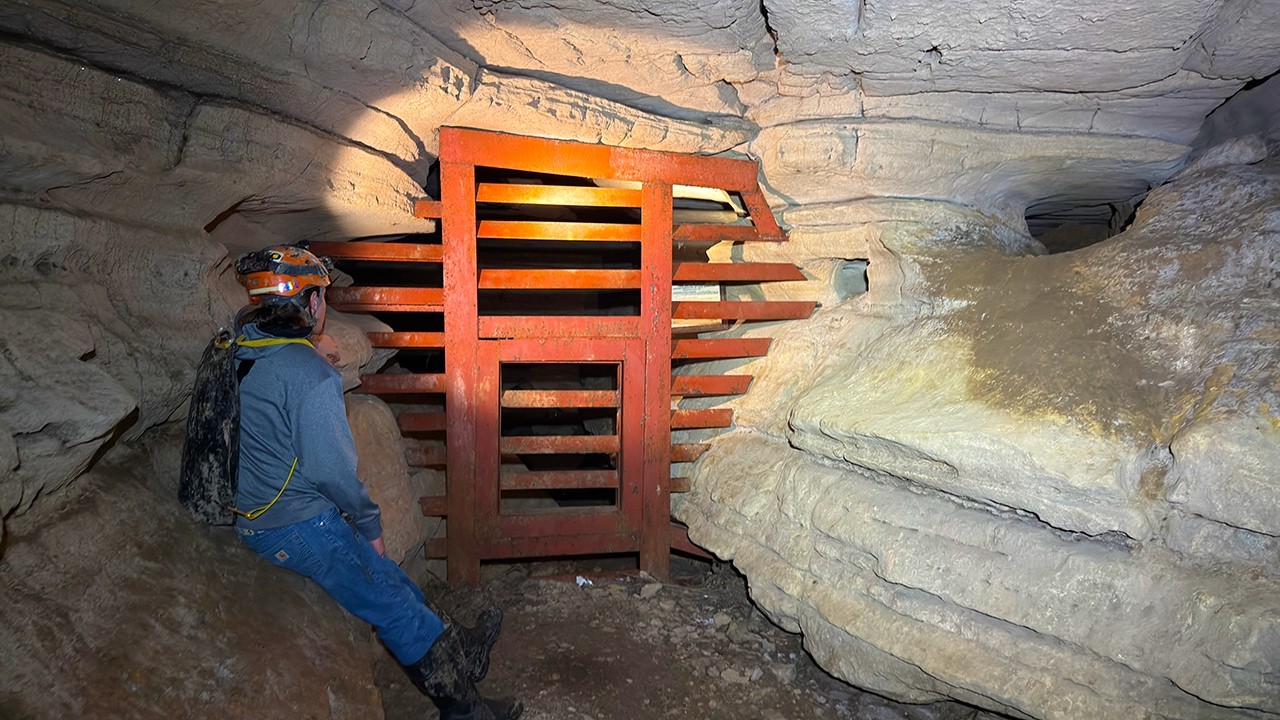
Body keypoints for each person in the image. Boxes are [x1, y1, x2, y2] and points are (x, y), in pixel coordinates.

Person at [230, 244, 522, 720]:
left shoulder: (242, 346)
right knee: (392, 604)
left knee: (387, 582)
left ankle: (464, 651)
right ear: (312, 303)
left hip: (263, 509)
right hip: (294, 524)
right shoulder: (310, 378)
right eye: (321, 295)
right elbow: (332, 472)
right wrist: (370, 526)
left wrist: (308, 344)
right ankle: (467, 712)